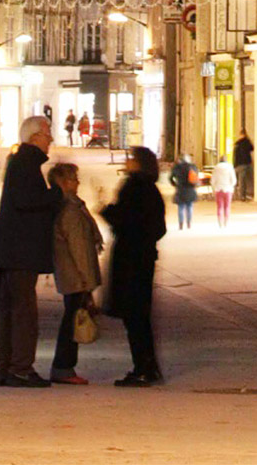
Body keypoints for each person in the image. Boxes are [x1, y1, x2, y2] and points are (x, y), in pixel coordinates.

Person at [0, 111, 59, 387]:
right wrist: (57, 194)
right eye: (47, 133)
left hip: (12, 251)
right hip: (20, 252)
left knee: (12, 311)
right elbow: (29, 200)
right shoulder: (27, 162)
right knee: (23, 312)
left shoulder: (21, 162)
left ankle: (6, 367)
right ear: (34, 136)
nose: (50, 139)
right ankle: (20, 368)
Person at [102, 145, 166, 387]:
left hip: (131, 260)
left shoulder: (134, 188)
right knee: (140, 316)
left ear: (140, 163)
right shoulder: (151, 189)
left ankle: (143, 368)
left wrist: (107, 211)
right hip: (144, 258)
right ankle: (148, 367)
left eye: (131, 158)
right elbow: (159, 228)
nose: (127, 162)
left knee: (134, 317)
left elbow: (123, 219)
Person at [47, 161, 104, 386]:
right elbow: (79, 247)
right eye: (73, 179)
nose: (77, 182)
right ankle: (63, 367)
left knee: (72, 319)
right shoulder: (70, 210)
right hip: (75, 275)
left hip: (72, 273)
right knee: (72, 321)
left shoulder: (70, 206)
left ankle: (64, 366)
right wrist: (86, 279)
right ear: (62, 182)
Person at [169, 154, 199, 230]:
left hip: (180, 188)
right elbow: (196, 177)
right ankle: (188, 223)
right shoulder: (193, 167)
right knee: (189, 206)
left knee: (181, 207)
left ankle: (181, 224)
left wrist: (175, 184)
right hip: (190, 189)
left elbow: (170, 178)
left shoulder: (177, 167)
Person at [210, 157, 235, 228]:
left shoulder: (216, 168)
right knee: (227, 206)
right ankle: (226, 222)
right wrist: (231, 186)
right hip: (228, 189)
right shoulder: (230, 168)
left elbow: (213, 180)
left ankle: (220, 222)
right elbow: (233, 180)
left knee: (219, 207)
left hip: (218, 189)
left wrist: (214, 187)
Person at [232, 129, 254, 201]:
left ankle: (236, 195)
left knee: (235, 180)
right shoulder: (247, 142)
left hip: (237, 164)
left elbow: (234, 155)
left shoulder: (237, 143)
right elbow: (252, 148)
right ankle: (242, 196)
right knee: (242, 180)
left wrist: (234, 164)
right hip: (246, 163)